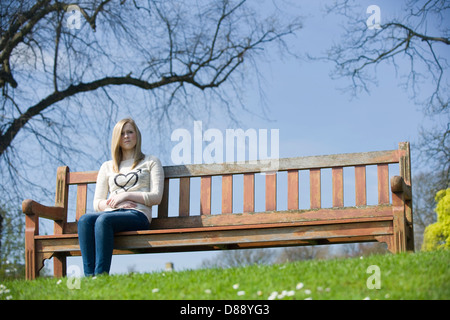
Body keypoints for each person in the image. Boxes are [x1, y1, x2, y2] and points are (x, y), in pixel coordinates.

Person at [78, 118, 164, 276]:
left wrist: (125, 195)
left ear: (137, 135)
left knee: (103, 220)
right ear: (116, 138)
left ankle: (101, 276)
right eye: (122, 133)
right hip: (112, 213)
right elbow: (97, 203)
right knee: (85, 220)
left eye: (130, 132)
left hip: (138, 215)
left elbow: (156, 197)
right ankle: (89, 278)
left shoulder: (151, 162)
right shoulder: (107, 166)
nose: (126, 136)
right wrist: (115, 206)